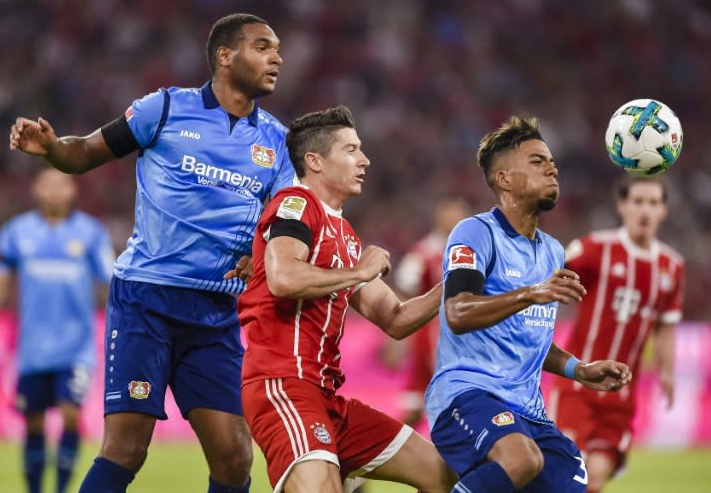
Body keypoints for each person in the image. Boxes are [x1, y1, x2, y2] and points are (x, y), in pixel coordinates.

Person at [8, 13, 296, 493]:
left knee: (234, 456)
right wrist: (54, 149)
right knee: (126, 449)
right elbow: (84, 153)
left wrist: (262, 250)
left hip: (216, 311)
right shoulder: (164, 109)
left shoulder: (276, 140)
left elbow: (286, 220)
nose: (277, 58)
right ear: (225, 56)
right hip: (147, 300)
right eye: (263, 47)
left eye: (277, 49)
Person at [237, 105, 456, 493]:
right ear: (315, 161)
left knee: (442, 475)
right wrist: (358, 272)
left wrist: (455, 284)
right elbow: (283, 277)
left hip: (327, 398)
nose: (365, 160)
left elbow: (396, 318)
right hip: (282, 385)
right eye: (352, 150)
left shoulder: (345, 234)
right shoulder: (295, 204)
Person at [424, 116, 633, 493]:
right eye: (537, 161)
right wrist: (530, 293)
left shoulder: (552, 251)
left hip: (527, 410)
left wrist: (579, 370)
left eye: (551, 161)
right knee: (522, 459)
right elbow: (456, 311)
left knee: (573, 480)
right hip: (466, 395)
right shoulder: (476, 232)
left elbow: (531, 338)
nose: (552, 168)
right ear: (504, 179)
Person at [0, 168, 114, 493]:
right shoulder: (17, 232)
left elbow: (110, 283)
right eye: (47, 184)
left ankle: (62, 488)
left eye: (60, 184)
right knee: (33, 421)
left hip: (76, 347)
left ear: (72, 190)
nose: (53, 191)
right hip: (33, 348)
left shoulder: (91, 233)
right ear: (36, 190)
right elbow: (0, 279)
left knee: (68, 414)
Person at [548, 176, 684, 493]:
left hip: (620, 393)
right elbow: (550, 274)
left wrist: (667, 371)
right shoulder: (597, 248)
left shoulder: (672, 266)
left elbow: (665, 325)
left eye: (653, 202)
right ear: (622, 206)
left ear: (663, 210)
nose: (645, 210)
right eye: (637, 201)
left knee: (595, 477)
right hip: (576, 387)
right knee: (567, 472)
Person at [380, 196, 469, 428]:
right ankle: (389, 453)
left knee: (463, 407)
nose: (455, 218)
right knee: (415, 408)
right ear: (439, 216)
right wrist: (395, 341)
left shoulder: (473, 251)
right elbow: (403, 292)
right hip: (429, 341)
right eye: (451, 213)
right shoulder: (424, 253)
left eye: (459, 213)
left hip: (465, 342)